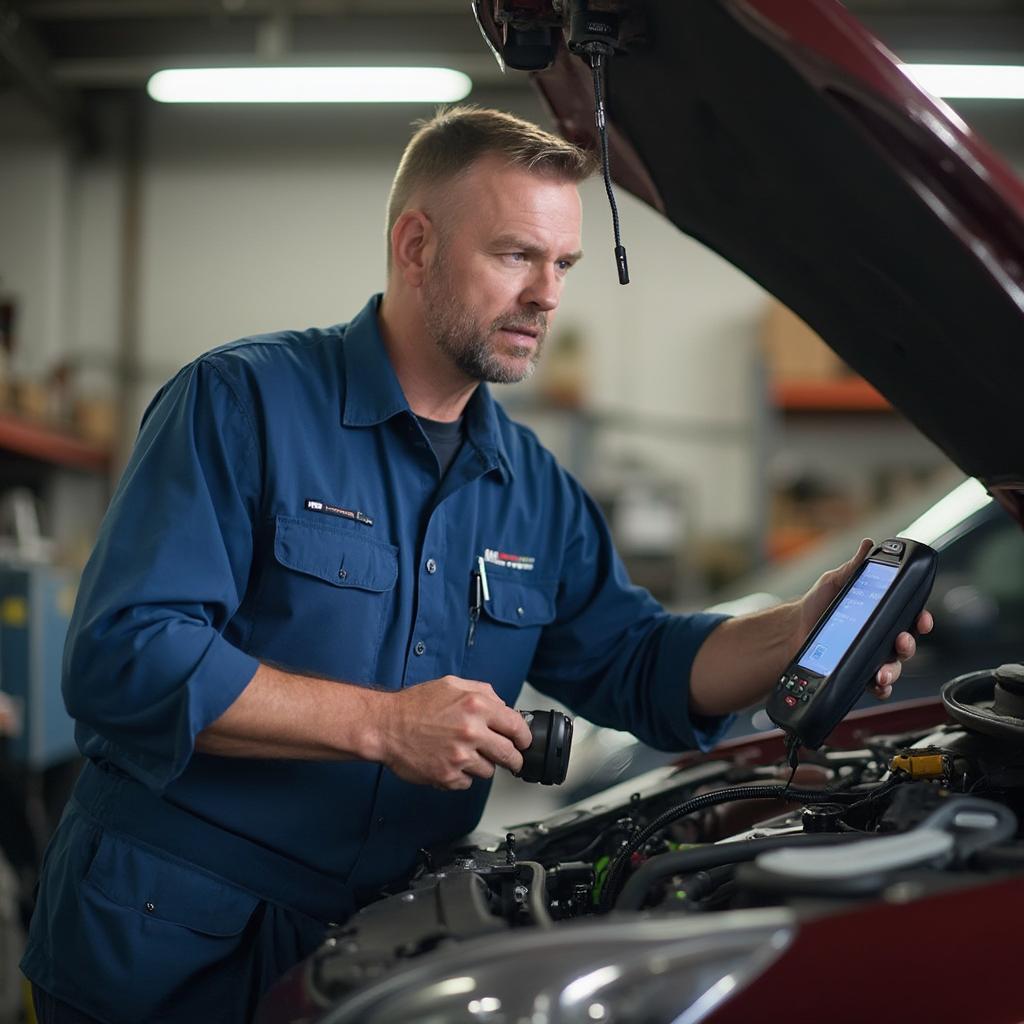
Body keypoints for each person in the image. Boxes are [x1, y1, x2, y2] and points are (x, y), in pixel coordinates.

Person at [21, 106, 932, 1024]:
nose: (548, 295)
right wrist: (383, 726)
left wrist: (795, 632)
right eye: (515, 256)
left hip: (373, 946)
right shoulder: (242, 404)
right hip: (168, 943)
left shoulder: (532, 486)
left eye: (563, 264)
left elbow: (638, 663)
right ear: (416, 245)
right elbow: (126, 657)